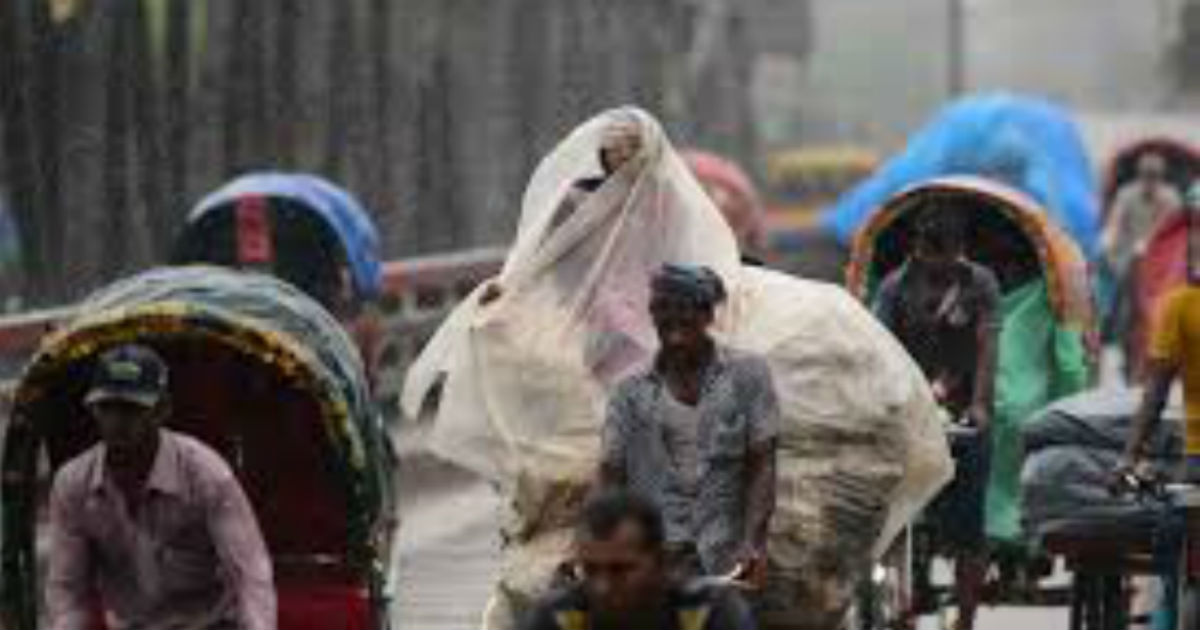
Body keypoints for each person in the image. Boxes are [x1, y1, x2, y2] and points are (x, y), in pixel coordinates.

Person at [46, 344, 276, 630]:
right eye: (107, 408)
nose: (118, 421)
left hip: (209, 624)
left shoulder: (205, 472)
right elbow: (68, 591)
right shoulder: (72, 485)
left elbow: (250, 573)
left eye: (132, 409)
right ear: (93, 410)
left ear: (162, 409)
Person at [598, 264, 779, 584]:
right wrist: (601, 546)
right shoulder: (629, 392)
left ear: (708, 316)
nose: (674, 319)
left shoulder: (747, 376)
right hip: (652, 559)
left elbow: (762, 464)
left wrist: (754, 542)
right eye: (663, 308)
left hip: (723, 556)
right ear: (652, 315)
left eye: (687, 308)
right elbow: (611, 474)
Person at [872, 205, 1000, 630]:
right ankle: (895, 599)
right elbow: (880, 348)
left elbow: (987, 345)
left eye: (950, 255)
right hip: (910, 409)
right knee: (886, 516)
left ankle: (965, 618)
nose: (941, 264)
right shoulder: (893, 288)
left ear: (961, 251)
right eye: (933, 254)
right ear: (918, 250)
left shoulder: (980, 284)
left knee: (969, 527)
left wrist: (980, 404)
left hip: (964, 414)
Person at [1118, 181, 1200, 630]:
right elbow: (1155, 391)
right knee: (1169, 533)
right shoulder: (1178, 306)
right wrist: (1130, 455)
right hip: (1197, 457)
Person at [519, 490, 758, 630]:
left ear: (661, 563)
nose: (602, 587)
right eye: (590, 570)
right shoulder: (560, 617)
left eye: (621, 569)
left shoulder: (707, 612)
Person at [1104, 152, 1184, 276]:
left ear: (1161, 177)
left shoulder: (1170, 198)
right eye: (1146, 174)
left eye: (1155, 175)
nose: (1150, 180)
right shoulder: (1127, 195)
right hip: (1129, 251)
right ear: (1140, 175)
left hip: (1162, 253)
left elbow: (1172, 228)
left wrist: (1148, 243)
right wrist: (1110, 240)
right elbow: (1116, 221)